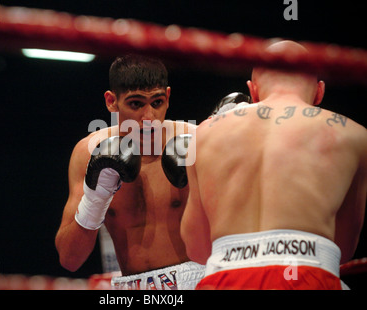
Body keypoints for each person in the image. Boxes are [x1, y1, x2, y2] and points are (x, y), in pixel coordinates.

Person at [181, 40, 367, 290]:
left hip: (225, 281)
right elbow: (341, 249)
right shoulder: (354, 136)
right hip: (308, 275)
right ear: (320, 91)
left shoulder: (204, 134)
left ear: (252, 90)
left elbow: (196, 248)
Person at [55, 54, 204, 290]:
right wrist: (97, 197)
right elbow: (70, 259)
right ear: (111, 101)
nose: (149, 118)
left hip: (195, 279)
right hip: (128, 289)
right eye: (136, 104)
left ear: (167, 97)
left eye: (157, 103)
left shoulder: (198, 142)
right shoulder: (89, 152)